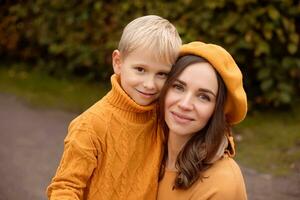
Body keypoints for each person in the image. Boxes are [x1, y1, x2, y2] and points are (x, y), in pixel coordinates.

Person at [46, 15, 182, 200]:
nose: (150, 84)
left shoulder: (164, 116)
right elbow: (65, 188)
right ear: (118, 63)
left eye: (162, 74)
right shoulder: (90, 126)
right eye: (140, 69)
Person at [157, 41, 248, 200]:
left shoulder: (222, 183)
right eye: (179, 87)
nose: (185, 104)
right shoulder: (147, 152)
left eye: (203, 97)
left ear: (216, 111)